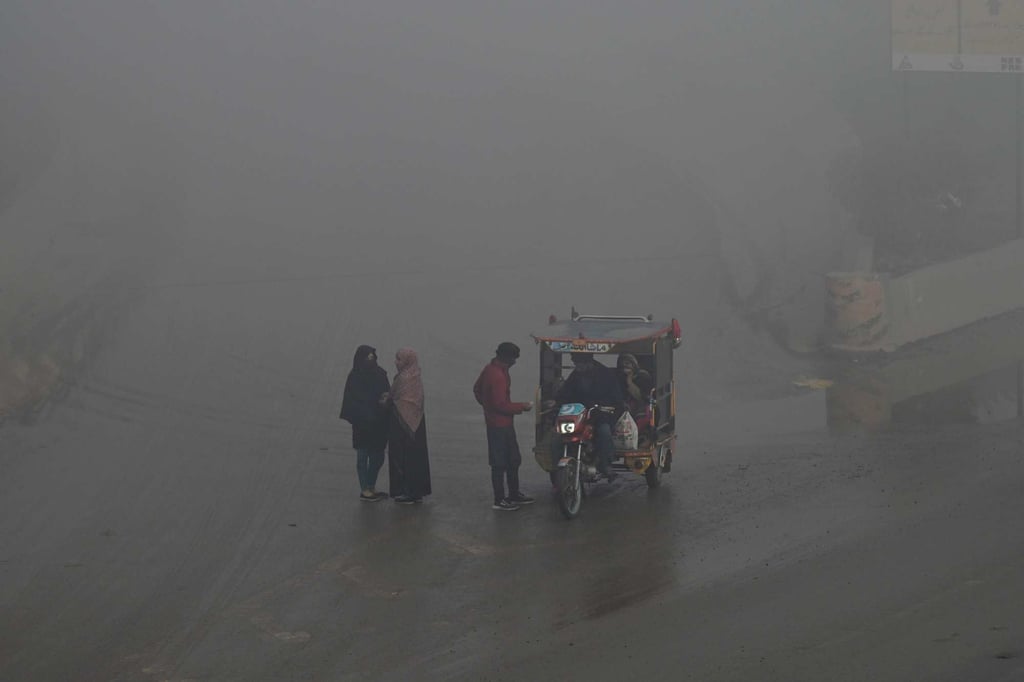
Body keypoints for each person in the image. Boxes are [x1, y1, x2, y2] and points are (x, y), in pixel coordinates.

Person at [473, 342, 534, 511]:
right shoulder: (498, 376)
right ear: (507, 358)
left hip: (499, 423)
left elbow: (477, 390)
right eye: (514, 359)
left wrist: (486, 406)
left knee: (513, 459)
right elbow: (501, 405)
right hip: (500, 426)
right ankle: (499, 499)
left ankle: (513, 494)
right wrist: (522, 407)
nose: (515, 362)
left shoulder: (489, 369)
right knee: (500, 463)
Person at [554, 353, 625, 481]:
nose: (577, 367)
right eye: (576, 364)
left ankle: (606, 464)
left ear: (589, 363)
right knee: (559, 435)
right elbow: (566, 393)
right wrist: (556, 403)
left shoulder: (606, 375)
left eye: (579, 364)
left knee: (604, 431)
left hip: (601, 414)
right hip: (579, 414)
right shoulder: (575, 375)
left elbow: (617, 400)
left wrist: (605, 407)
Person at [339, 345, 391, 502]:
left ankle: (370, 485)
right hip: (362, 424)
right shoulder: (354, 376)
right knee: (362, 456)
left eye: (372, 358)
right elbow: (350, 400)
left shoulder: (380, 374)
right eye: (367, 358)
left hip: (379, 423)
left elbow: (387, 393)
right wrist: (361, 414)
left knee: (378, 457)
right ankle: (365, 490)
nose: (370, 361)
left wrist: (384, 403)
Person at [387, 348, 431, 504]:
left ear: (407, 361)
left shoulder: (403, 378)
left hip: (402, 424)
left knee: (403, 458)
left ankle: (406, 492)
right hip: (417, 423)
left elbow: (393, 396)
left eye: (399, 359)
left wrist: (385, 400)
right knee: (416, 458)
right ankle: (416, 491)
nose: (396, 362)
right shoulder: (415, 376)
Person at [616, 354, 654, 420]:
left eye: (627, 363)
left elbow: (640, 397)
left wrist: (629, 381)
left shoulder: (643, 376)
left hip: (641, 411)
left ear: (633, 364)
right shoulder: (619, 377)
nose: (625, 366)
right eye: (622, 365)